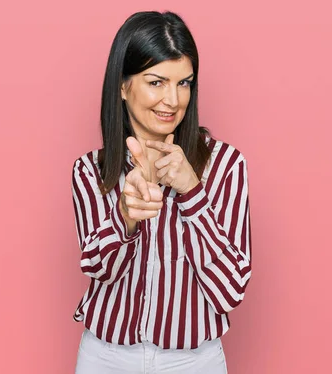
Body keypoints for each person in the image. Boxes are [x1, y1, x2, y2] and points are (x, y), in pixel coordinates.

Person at [71, 10, 252, 374]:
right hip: (106, 357)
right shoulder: (90, 171)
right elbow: (98, 269)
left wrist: (191, 192)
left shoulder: (226, 165)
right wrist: (125, 216)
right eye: (157, 82)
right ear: (123, 85)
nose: (173, 100)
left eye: (184, 83)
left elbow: (231, 289)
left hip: (193, 360)